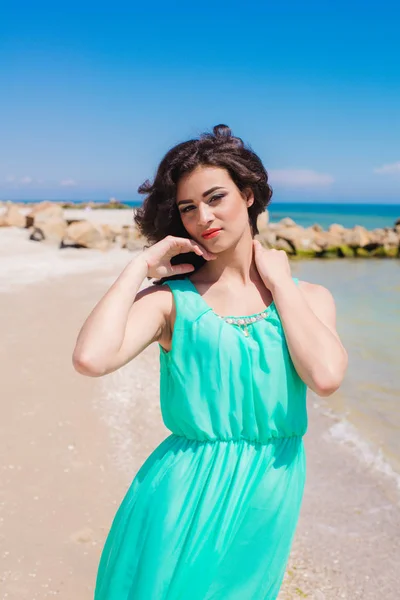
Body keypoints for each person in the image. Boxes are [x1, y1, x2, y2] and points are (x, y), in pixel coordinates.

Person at [72, 124, 348, 599]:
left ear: (249, 196)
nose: (203, 216)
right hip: (181, 492)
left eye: (216, 197)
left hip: (270, 494)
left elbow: (324, 377)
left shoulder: (308, 299)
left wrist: (280, 284)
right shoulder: (170, 301)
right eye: (187, 207)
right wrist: (140, 267)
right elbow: (90, 359)